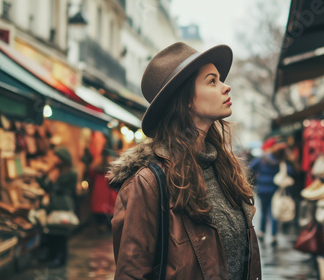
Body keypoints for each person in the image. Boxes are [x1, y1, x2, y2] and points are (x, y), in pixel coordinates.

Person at [107, 42, 261, 279]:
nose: (226, 87)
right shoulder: (149, 183)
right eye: (212, 81)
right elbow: (132, 273)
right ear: (186, 99)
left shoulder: (225, 170)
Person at [37, 146, 78, 267]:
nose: (55, 160)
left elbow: (59, 187)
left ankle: (61, 258)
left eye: (58, 157)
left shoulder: (70, 173)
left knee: (62, 233)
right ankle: (52, 255)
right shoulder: (56, 171)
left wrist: (53, 174)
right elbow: (45, 185)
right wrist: (48, 172)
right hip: (53, 205)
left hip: (64, 205)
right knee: (52, 232)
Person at [249, 137, 292, 246]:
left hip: (262, 189)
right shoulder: (280, 161)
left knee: (263, 211)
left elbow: (250, 167)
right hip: (274, 190)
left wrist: (255, 178)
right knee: (274, 213)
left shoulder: (262, 159)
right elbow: (289, 171)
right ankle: (273, 236)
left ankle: (262, 232)